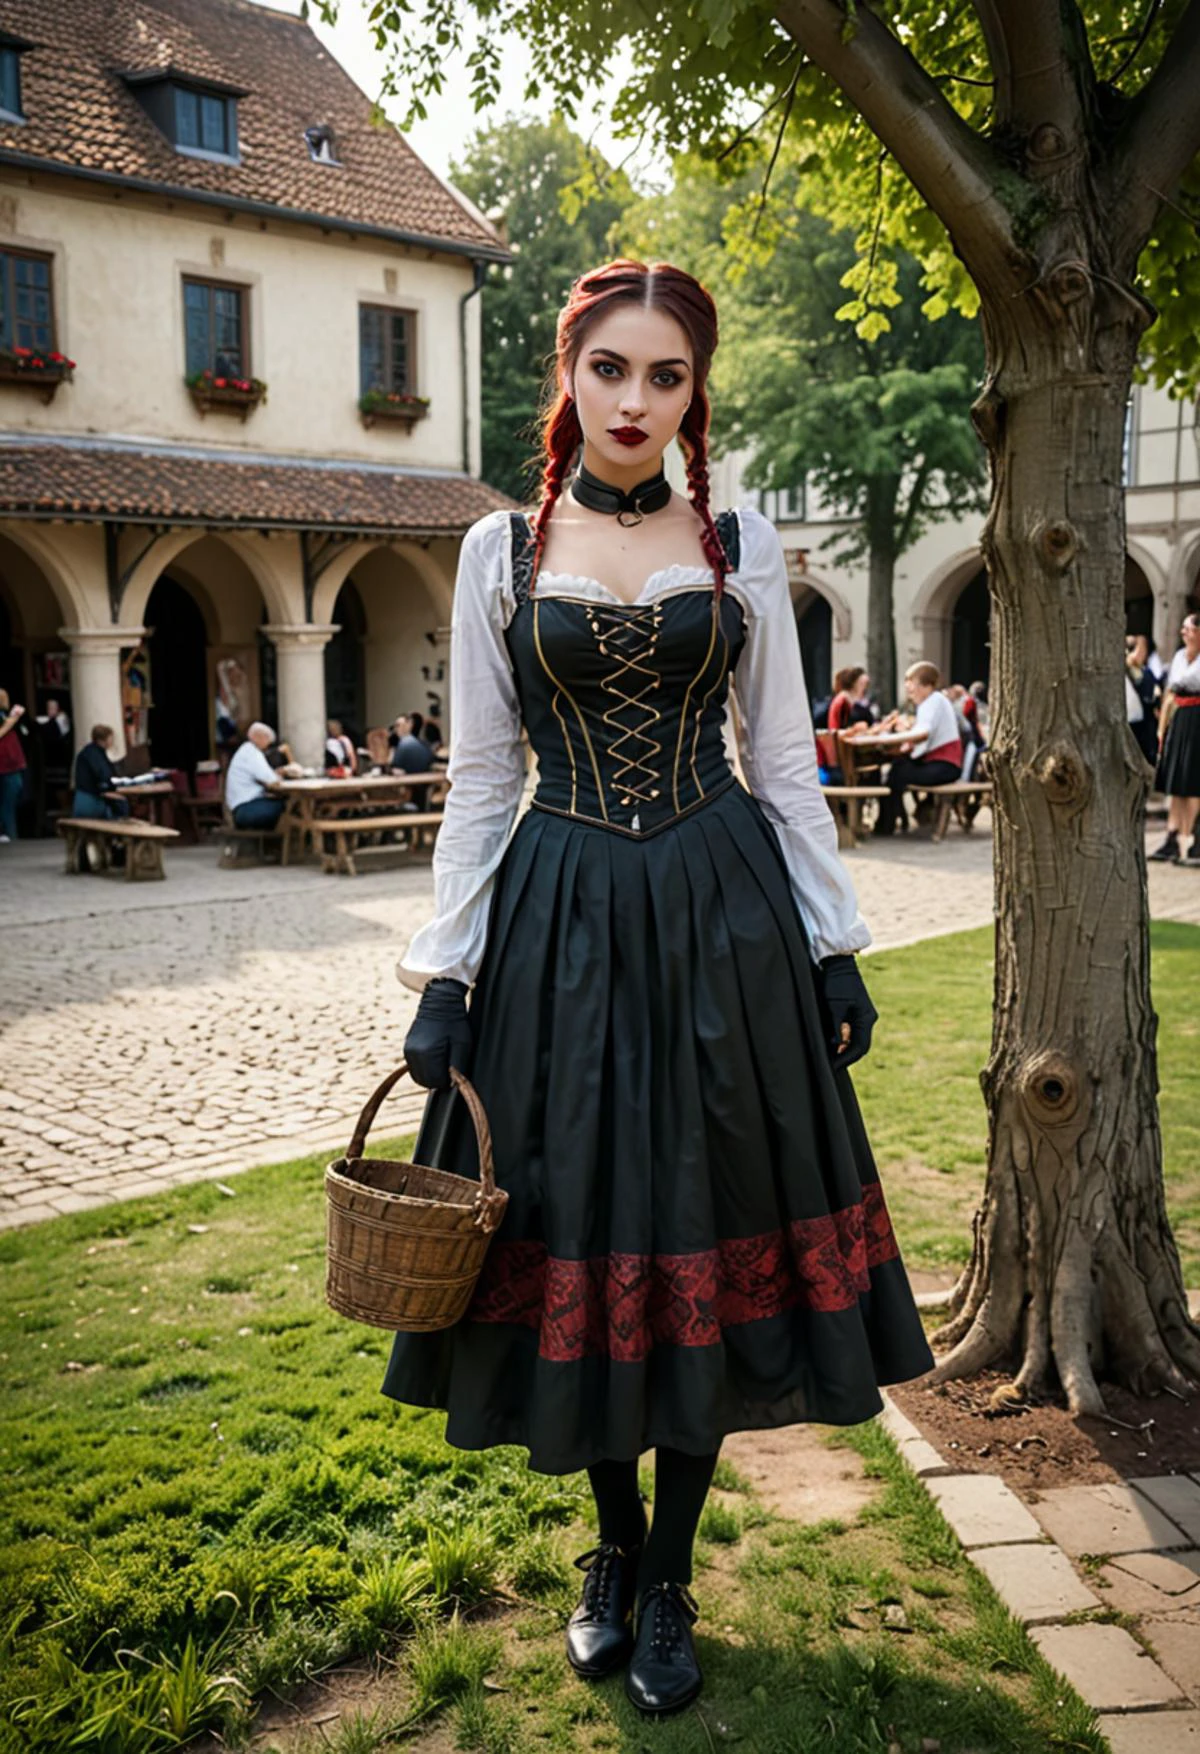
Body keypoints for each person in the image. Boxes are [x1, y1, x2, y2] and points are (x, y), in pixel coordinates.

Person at [383, 259, 933, 1717]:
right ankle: (614, 1549)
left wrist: (833, 939)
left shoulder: (737, 542)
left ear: (697, 391)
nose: (636, 400)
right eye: (611, 369)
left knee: (708, 1220)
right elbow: (484, 776)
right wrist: (448, 974)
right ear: (569, 375)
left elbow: (785, 760)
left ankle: (674, 1568)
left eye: (667, 375)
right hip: (557, 925)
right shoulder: (502, 549)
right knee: (580, 1227)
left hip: (719, 917)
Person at [874, 661, 963, 836]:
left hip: (945, 767)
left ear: (925, 686)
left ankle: (886, 825)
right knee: (898, 769)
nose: (909, 691)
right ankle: (891, 822)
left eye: (911, 686)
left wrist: (890, 737)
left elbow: (923, 734)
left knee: (896, 774)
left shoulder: (933, 701)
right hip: (945, 765)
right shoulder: (934, 701)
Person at [1149, 612, 1200, 865]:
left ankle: (1191, 840)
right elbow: (1172, 688)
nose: (1183, 632)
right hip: (1179, 719)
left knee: (1193, 781)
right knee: (1176, 780)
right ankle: (1171, 838)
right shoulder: (1180, 657)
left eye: (1188, 629)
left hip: (1198, 719)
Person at [225, 723, 287, 830]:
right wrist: (282, 774)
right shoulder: (252, 753)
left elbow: (264, 775)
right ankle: (286, 841)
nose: (268, 746)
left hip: (241, 807)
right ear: (259, 737)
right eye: (268, 741)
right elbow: (272, 780)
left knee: (283, 803)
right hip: (245, 809)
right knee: (287, 805)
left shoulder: (246, 750)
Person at [818, 666, 872, 782]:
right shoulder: (843, 700)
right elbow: (837, 729)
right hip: (840, 754)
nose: (865, 689)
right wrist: (856, 730)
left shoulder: (844, 700)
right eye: (862, 685)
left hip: (842, 749)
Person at [72, 725, 131, 821]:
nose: (112, 741)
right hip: (92, 802)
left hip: (80, 800)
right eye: (111, 738)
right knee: (122, 805)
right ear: (102, 740)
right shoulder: (96, 755)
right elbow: (105, 776)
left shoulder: (88, 751)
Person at [1125, 635, 1160, 767]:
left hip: (1145, 722)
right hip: (1130, 721)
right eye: (1140, 649)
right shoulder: (1127, 671)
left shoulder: (1146, 671)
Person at [0, 689, 28, 842]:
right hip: (5, 765)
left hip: (12, 764)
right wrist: (12, 719)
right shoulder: (5, 718)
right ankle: (9, 833)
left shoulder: (4, 714)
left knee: (11, 799)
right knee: (7, 802)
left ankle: (9, 832)